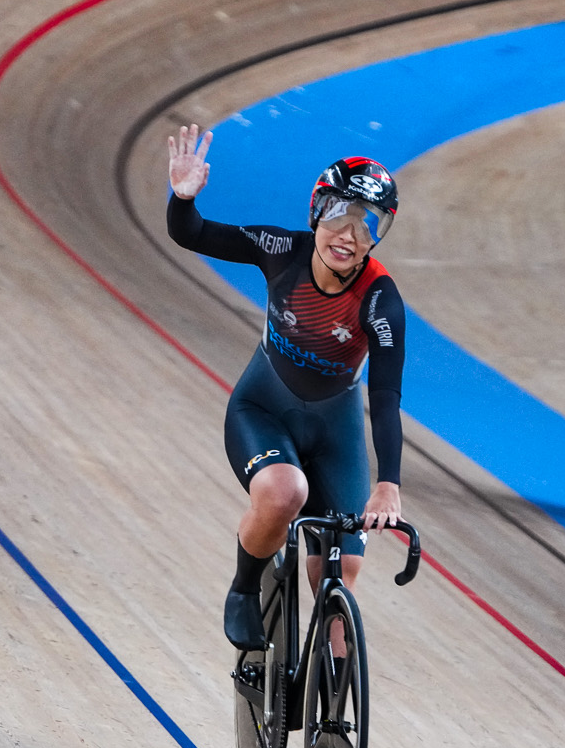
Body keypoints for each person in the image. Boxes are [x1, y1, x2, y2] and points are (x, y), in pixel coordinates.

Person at [165, 126, 406, 654]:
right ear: (316, 212)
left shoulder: (380, 300)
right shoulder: (282, 251)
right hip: (264, 408)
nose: (349, 235)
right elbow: (194, 234)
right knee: (284, 493)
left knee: (340, 578)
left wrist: (388, 483)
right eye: (340, 215)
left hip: (335, 429)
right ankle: (244, 587)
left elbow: (385, 397)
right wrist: (184, 199)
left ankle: (333, 723)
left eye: (368, 226)